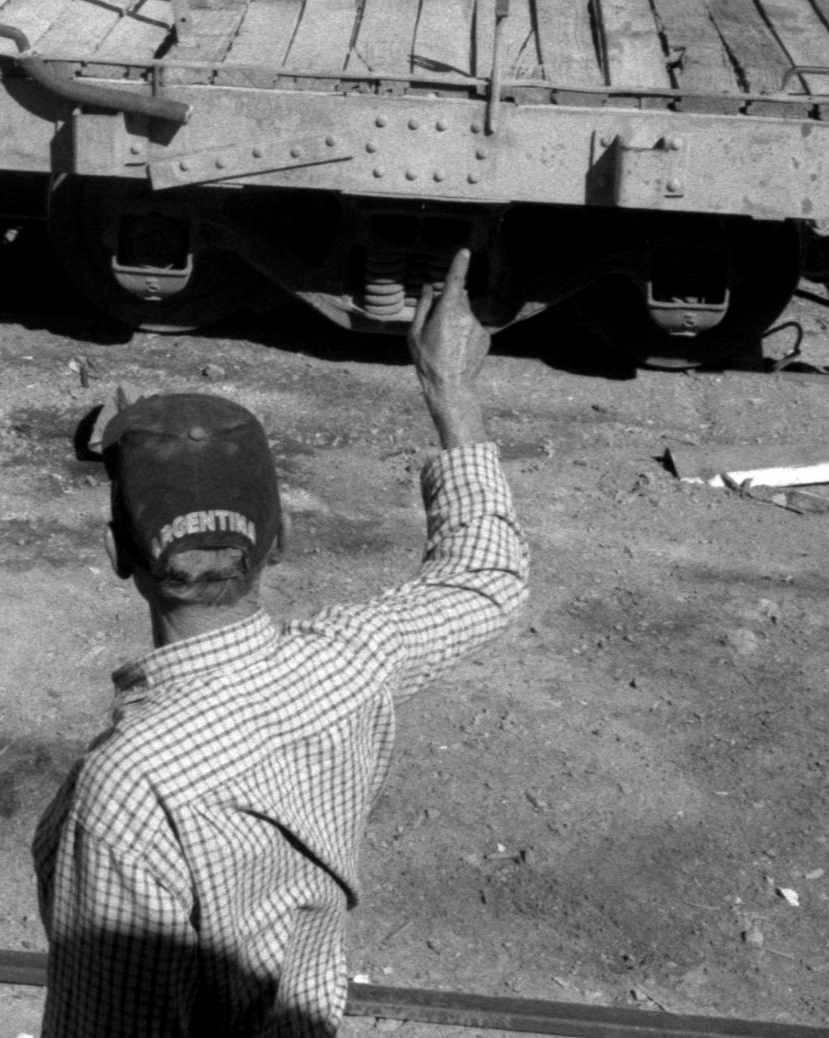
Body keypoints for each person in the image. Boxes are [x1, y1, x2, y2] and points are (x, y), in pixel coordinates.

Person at [33, 248, 528, 1037]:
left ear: (116, 552)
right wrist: (451, 390)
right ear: (281, 538)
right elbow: (484, 579)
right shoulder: (349, 663)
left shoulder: (129, 788)